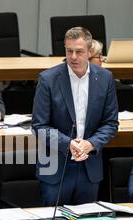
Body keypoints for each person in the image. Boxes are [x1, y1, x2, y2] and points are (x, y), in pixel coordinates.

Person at [32, 27, 119, 206]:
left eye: (79, 52)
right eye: (68, 51)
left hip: (89, 167)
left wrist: (91, 143)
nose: (73, 57)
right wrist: (68, 144)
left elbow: (110, 123)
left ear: (89, 51)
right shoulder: (48, 79)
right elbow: (39, 126)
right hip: (55, 167)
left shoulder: (105, 78)